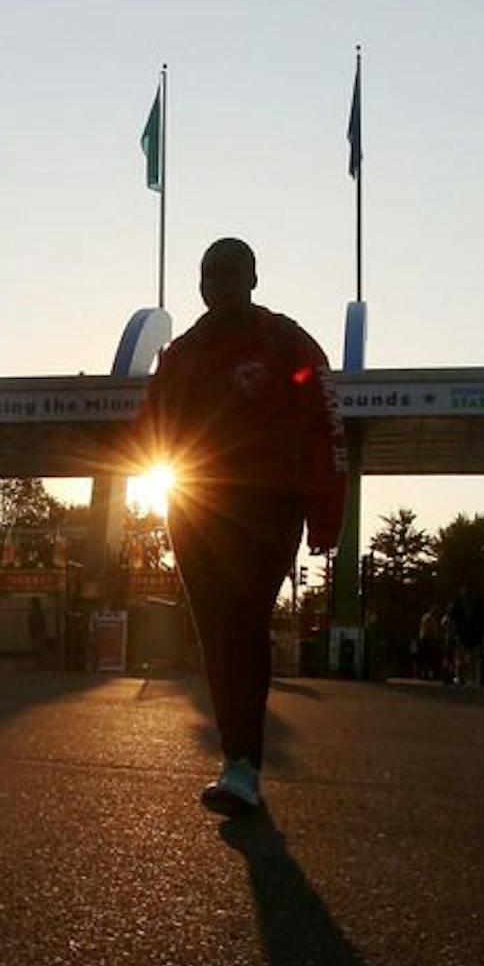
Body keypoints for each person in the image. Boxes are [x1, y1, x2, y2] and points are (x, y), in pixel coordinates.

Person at [137, 238, 346, 815]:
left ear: (253, 278)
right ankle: (236, 758)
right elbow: (152, 429)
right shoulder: (181, 353)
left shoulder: (288, 343)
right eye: (208, 274)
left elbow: (327, 428)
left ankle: (244, 763)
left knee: (245, 622)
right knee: (215, 630)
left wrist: (326, 512)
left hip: (267, 510)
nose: (218, 284)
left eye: (230, 273)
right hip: (195, 510)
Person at [416, 603, 442, 682]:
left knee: (430, 658)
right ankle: (423, 674)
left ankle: (428, 674)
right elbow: (429, 629)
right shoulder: (428, 618)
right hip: (426, 639)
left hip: (430, 639)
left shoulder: (432, 618)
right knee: (426, 657)